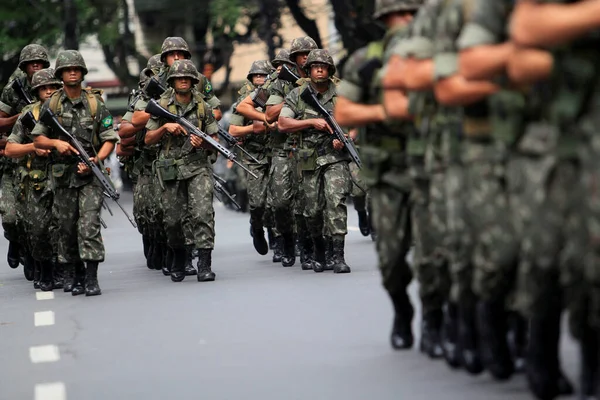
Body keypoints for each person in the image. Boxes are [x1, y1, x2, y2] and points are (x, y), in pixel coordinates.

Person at [336, 0, 425, 351]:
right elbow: (344, 111)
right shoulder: (365, 61)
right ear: (385, 19)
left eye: (413, 15)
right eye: (399, 16)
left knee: (439, 254)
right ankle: (402, 311)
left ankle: (434, 318)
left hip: (436, 169)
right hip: (388, 172)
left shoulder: (439, 55)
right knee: (390, 256)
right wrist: (387, 110)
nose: (406, 22)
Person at [32, 50, 119, 297]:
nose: (72, 72)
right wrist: (55, 144)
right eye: (68, 69)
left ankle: (91, 277)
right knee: (66, 227)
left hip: (90, 175)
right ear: (60, 74)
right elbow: (38, 138)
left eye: (76, 69)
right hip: (62, 175)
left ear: (82, 73)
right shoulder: (52, 104)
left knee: (89, 225)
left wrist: (96, 159)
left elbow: (109, 138)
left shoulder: (95, 104)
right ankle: (73, 273)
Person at [144, 59, 218, 283]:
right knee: (173, 219)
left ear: (194, 81)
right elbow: (148, 139)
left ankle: (204, 263)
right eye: (178, 78)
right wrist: (165, 127)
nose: (183, 80)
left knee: (203, 213)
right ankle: (178, 257)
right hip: (171, 169)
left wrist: (202, 143)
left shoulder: (203, 106)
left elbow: (213, 138)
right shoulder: (162, 105)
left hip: (198, 167)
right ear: (173, 81)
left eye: (187, 77)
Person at [278, 49, 352, 274]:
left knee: (336, 201)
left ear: (330, 70)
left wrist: (346, 138)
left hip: (335, 157)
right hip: (308, 158)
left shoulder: (341, 93)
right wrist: (312, 123)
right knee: (313, 209)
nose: (319, 69)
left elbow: (356, 121)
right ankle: (319, 251)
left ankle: (338, 255)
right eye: (315, 66)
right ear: (308, 70)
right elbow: (283, 123)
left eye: (324, 66)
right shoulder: (298, 94)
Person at [5, 68, 61, 290]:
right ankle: (43, 268)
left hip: (65, 179)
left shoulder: (70, 111)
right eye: (44, 88)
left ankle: (62, 270)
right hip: (36, 182)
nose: (48, 91)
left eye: (53, 87)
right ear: (37, 91)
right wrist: (34, 147)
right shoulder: (28, 115)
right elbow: (10, 149)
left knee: (64, 227)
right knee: (37, 230)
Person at [0, 44, 50, 272]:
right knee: (11, 218)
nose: (36, 65)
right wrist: (20, 118)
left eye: (39, 62)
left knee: (41, 219)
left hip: (45, 163)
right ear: (24, 66)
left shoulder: (53, 87)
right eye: (31, 63)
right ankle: (15, 242)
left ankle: (37, 260)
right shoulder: (14, 89)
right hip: (16, 162)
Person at [229, 60, 276, 258]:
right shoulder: (243, 102)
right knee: (258, 202)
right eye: (256, 76)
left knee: (278, 200)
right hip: (253, 157)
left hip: (276, 153)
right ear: (250, 78)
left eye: (263, 75)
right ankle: (257, 227)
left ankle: (278, 239)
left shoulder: (277, 96)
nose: (260, 79)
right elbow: (233, 130)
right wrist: (252, 128)